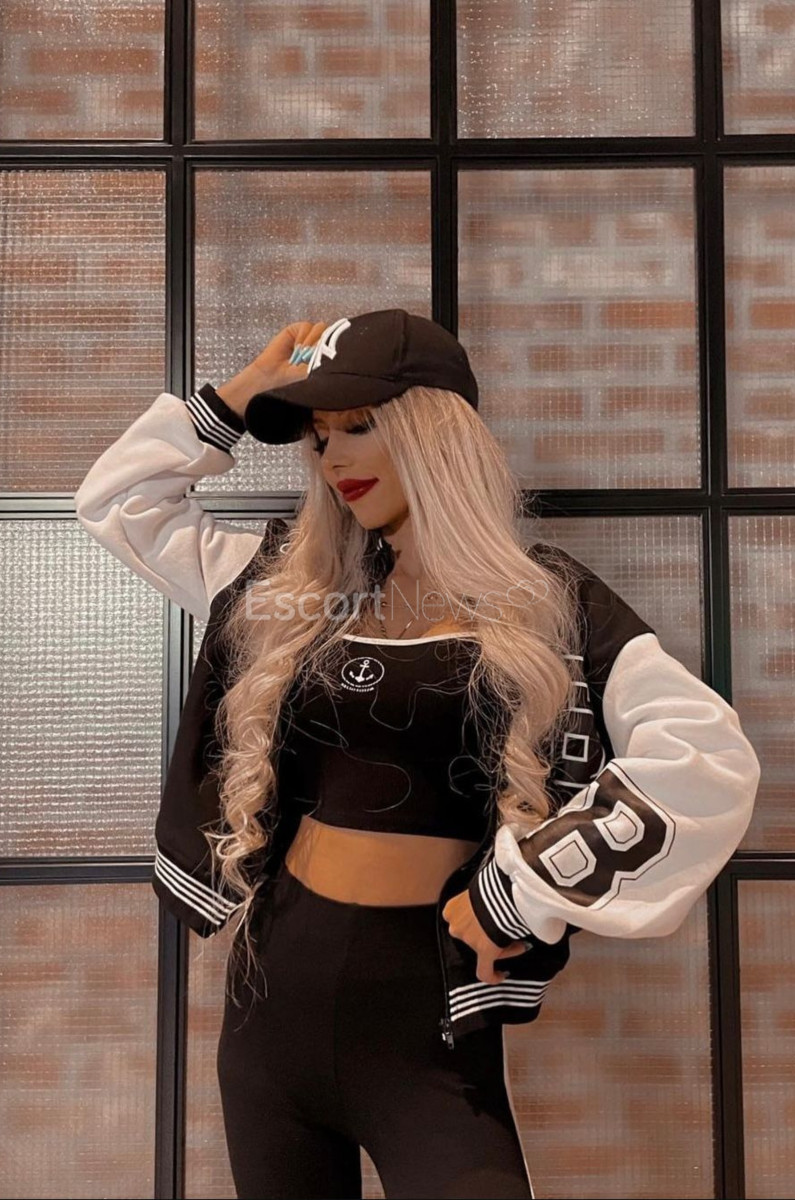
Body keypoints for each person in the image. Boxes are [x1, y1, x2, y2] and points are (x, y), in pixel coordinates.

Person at [74, 309, 761, 1200]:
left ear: (436, 435)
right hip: (271, 1000)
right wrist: (244, 392)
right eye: (318, 436)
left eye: (359, 425)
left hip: (428, 1018)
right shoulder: (287, 584)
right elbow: (119, 502)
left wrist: (526, 890)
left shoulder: (548, 603)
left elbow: (704, 758)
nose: (333, 457)